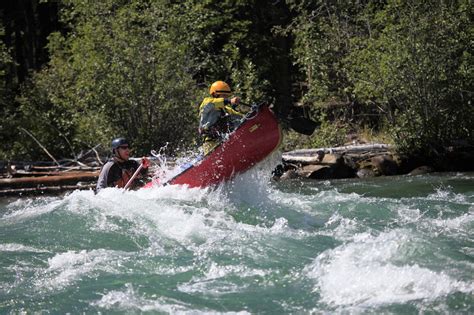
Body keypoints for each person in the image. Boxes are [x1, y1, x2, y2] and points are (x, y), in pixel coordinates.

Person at [198, 81, 243, 155]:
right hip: (210, 144)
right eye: (224, 95)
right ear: (215, 94)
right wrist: (229, 101)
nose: (226, 97)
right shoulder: (207, 102)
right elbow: (214, 103)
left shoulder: (226, 109)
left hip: (222, 141)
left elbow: (240, 118)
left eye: (227, 96)